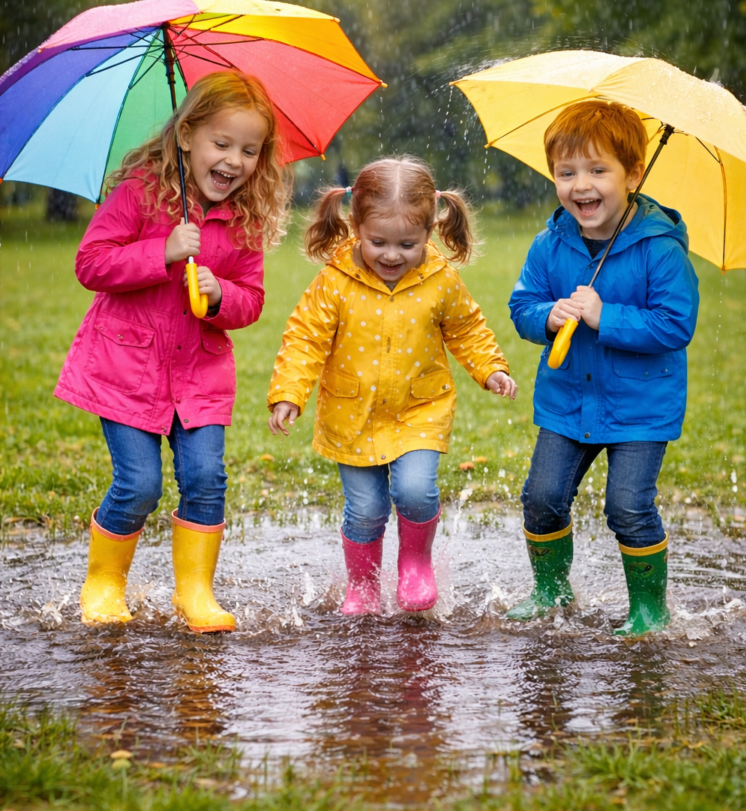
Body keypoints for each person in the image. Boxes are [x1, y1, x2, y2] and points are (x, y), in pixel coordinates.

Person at [55, 70, 290, 632]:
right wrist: (160, 250)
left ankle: (196, 592)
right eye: (221, 143)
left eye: (249, 150)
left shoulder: (245, 218)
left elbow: (252, 299)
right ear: (186, 136)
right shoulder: (140, 192)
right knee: (139, 484)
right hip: (127, 369)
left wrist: (220, 295)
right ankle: (104, 582)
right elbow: (91, 264)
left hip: (198, 374)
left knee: (206, 478)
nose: (234, 160)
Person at [267, 156, 517, 615]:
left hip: (419, 410)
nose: (391, 255)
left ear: (429, 231)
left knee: (415, 492)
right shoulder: (335, 282)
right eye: (378, 242)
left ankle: (415, 563)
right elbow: (305, 338)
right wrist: (288, 393)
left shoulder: (439, 279)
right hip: (351, 415)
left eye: (407, 244)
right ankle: (362, 584)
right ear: (356, 226)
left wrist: (490, 369)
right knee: (365, 510)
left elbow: (467, 329)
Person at [509, 100, 699, 635]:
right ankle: (550, 590)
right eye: (566, 173)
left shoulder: (659, 250)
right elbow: (522, 306)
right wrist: (548, 317)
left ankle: (648, 610)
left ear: (633, 175)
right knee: (542, 498)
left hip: (641, 407)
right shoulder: (550, 244)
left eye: (597, 170)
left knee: (628, 507)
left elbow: (675, 324)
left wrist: (604, 315)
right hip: (567, 401)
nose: (581, 186)